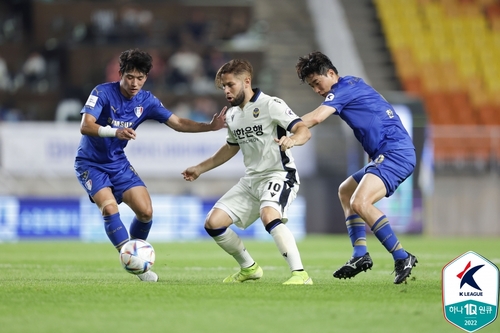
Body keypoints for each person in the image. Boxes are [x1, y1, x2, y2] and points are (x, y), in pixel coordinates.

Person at [74, 48, 226, 282]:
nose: (135, 83)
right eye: (130, 77)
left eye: (140, 78)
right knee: (109, 208)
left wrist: (209, 126)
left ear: (146, 77)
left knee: (146, 212)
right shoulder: (102, 92)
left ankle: (136, 258)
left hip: (118, 163)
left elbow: (177, 122)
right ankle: (132, 261)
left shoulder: (147, 101)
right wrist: (115, 131)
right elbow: (86, 125)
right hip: (91, 163)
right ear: (121, 74)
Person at [182, 59, 313, 285]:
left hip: (279, 174)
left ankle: (301, 274)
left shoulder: (271, 104)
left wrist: (292, 140)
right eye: (223, 86)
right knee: (213, 223)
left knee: (269, 215)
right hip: (251, 180)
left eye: (230, 85)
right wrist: (199, 168)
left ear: (247, 82)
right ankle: (249, 268)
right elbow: (230, 148)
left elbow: (303, 130)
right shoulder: (232, 115)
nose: (226, 90)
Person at [295, 51, 418, 284]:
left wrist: (286, 125)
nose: (318, 90)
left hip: (395, 153)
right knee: (346, 191)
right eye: (312, 86)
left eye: (317, 83)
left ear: (331, 73)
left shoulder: (344, 89)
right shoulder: (350, 86)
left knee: (360, 202)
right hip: (387, 154)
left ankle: (402, 256)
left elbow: (318, 117)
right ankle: (360, 254)